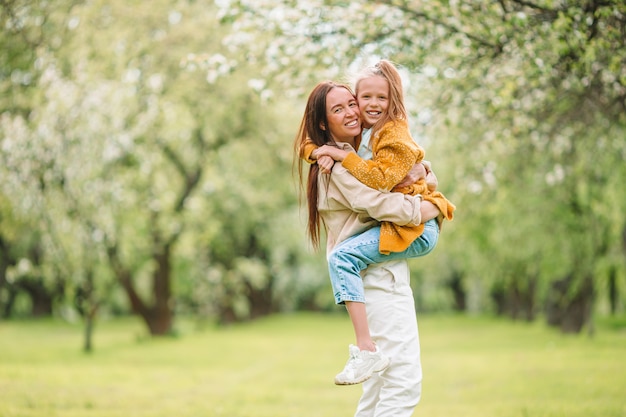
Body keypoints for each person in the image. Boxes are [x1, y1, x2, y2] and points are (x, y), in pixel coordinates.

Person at [299, 61, 455, 385]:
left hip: (405, 234)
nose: (360, 109)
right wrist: (321, 151)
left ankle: (366, 349)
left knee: (393, 383)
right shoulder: (342, 157)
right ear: (324, 122)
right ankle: (366, 349)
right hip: (391, 250)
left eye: (351, 104)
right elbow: (374, 197)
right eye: (342, 107)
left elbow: (387, 183)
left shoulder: (365, 145)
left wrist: (428, 193)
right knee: (396, 384)